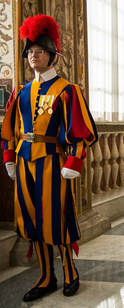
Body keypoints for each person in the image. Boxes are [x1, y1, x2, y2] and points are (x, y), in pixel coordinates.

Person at [1, 15, 98, 301]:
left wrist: (74, 162)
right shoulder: (20, 91)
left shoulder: (68, 91)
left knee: (57, 218)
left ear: (52, 56)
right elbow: (10, 130)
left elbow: (84, 133)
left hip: (53, 163)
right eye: (30, 52)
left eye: (39, 51)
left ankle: (70, 272)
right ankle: (46, 276)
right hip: (23, 162)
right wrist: (9, 158)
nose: (33, 56)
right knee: (32, 220)